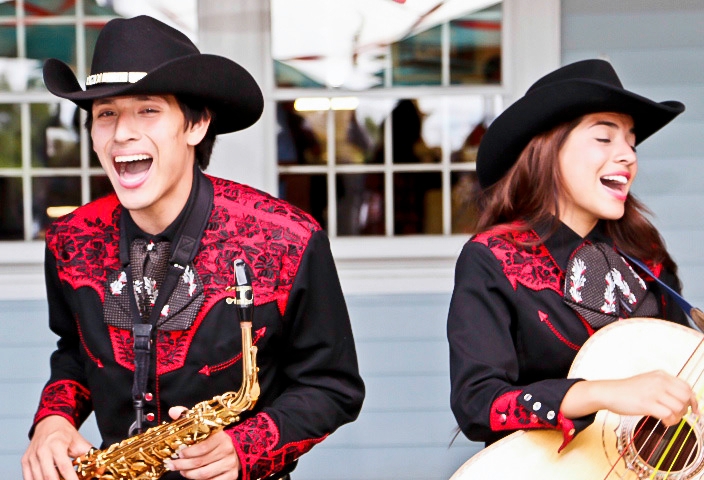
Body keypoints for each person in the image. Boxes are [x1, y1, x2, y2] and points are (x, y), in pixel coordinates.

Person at [21, 15, 364, 480]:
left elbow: (333, 384)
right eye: (106, 113)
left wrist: (246, 447)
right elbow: (74, 353)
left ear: (196, 124)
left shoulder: (289, 238)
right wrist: (53, 420)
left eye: (147, 109)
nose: (122, 132)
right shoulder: (69, 240)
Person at [447, 59, 697, 450]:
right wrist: (600, 393)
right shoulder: (492, 258)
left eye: (631, 142)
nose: (628, 156)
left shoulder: (646, 256)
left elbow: (689, 374)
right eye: (604, 138)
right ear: (548, 149)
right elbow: (477, 404)